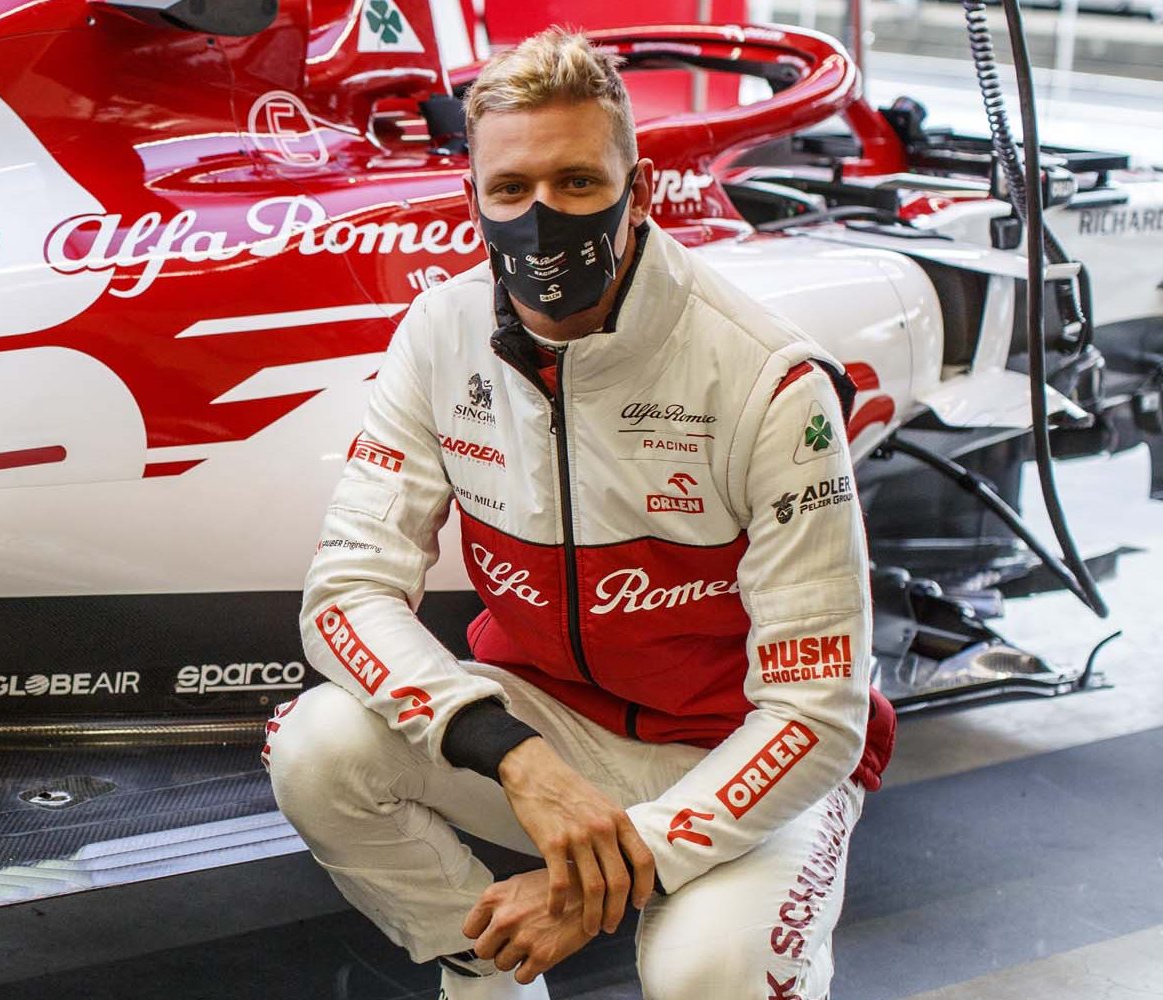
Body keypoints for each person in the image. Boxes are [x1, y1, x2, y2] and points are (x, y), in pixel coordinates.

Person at [263, 27, 896, 1000]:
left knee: (708, 976)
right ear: (475, 195)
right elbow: (346, 593)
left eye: (578, 184)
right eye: (512, 191)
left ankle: (691, 933)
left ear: (638, 192)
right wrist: (511, 755)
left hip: (747, 756)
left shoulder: (767, 376)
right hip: (553, 731)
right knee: (316, 745)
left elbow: (819, 714)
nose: (542, 216)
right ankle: (487, 970)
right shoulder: (441, 334)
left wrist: (605, 874)